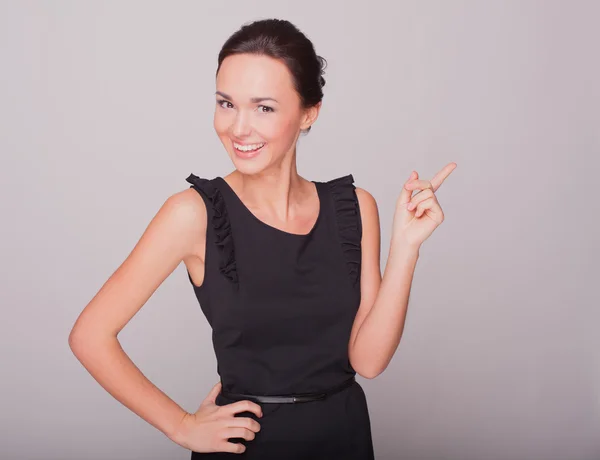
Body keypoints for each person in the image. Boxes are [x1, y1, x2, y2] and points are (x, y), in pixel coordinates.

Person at [68, 18, 456, 459]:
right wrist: (181, 426)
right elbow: (90, 335)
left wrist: (406, 248)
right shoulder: (193, 214)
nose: (238, 128)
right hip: (247, 447)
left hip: (343, 437)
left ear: (309, 112)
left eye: (264, 108)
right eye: (226, 103)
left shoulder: (354, 207)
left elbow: (368, 361)